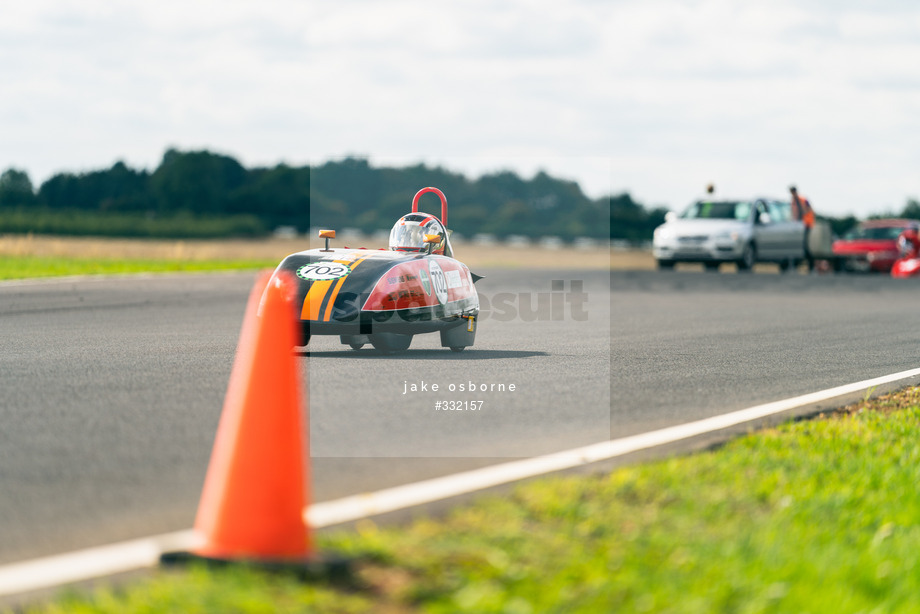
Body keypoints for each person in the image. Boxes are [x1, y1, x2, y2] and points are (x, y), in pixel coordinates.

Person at [789, 185, 816, 271]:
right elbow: (793, 213)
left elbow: (810, 208)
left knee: (805, 245)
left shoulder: (803, 199)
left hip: (807, 224)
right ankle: (797, 265)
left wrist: (803, 213)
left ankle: (811, 266)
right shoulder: (793, 201)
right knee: (799, 245)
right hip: (799, 225)